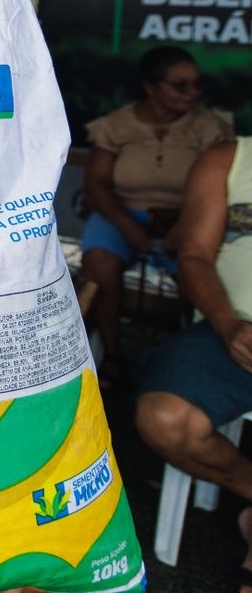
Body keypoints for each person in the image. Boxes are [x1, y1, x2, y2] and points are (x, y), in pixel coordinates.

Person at [135, 135, 252, 593]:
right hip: (230, 327)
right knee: (164, 418)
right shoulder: (229, 158)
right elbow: (194, 256)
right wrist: (228, 326)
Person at [81, 46, 232, 384]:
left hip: (190, 213)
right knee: (99, 263)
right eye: (180, 85)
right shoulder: (116, 125)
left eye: (197, 84)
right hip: (123, 212)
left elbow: (220, 186)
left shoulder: (211, 127)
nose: (192, 92)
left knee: (198, 271)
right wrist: (128, 227)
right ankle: (112, 354)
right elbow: (96, 182)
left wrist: (184, 224)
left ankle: (189, 361)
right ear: (150, 86)